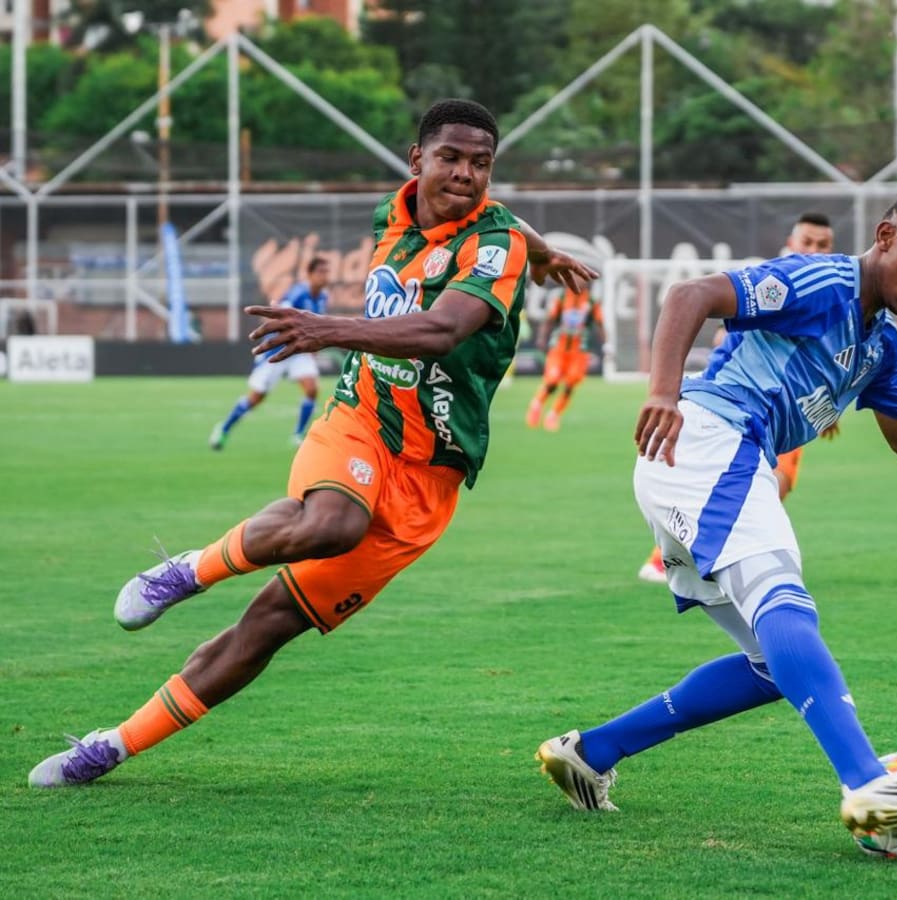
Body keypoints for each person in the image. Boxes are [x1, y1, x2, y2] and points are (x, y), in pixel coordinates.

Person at [28, 98, 596, 789]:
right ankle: (185, 571)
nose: (467, 174)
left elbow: (442, 331)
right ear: (417, 161)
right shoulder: (394, 214)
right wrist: (548, 251)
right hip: (360, 418)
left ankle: (111, 746)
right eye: (451, 157)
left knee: (266, 627)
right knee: (331, 521)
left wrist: (330, 329)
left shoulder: (493, 242)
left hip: (429, 480)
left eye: (482, 163)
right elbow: (505, 232)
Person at [536, 188, 897, 839]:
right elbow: (690, 296)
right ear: (886, 235)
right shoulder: (822, 281)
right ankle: (868, 782)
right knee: (785, 603)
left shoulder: (881, 346)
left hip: (710, 464)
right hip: (708, 442)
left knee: (771, 666)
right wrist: (663, 394)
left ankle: (592, 754)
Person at [638, 211, 838, 584]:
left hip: (784, 415)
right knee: (768, 483)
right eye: (807, 243)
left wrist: (829, 408)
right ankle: (682, 557)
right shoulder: (780, 281)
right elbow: (718, 319)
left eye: (822, 245)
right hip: (738, 410)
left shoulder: (828, 293)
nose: (814, 250)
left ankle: (700, 554)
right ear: (791, 245)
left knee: (772, 483)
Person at [209, 257, 332, 450]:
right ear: (310, 274)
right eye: (321, 272)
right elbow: (279, 315)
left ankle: (298, 435)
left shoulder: (323, 296)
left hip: (298, 353)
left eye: (327, 272)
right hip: (276, 350)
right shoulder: (298, 293)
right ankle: (223, 428)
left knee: (311, 389)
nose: (325, 276)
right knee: (255, 398)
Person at [524, 282, 607, 431]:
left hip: (579, 350)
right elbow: (549, 319)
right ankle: (536, 405)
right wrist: (542, 338)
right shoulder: (562, 297)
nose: (579, 281)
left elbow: (599, 323)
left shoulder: (592, 301)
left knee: (571, 383)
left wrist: (606, 344)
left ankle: (554, 415)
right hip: (559, 348)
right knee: (553, 380)